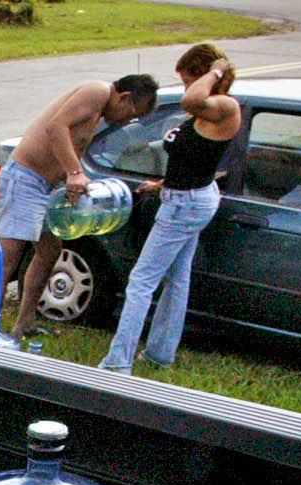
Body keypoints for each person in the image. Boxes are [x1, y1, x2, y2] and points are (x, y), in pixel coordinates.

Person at [99, 45, 241, 373]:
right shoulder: (205, 113)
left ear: (205, 75)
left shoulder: (224, 106)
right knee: (177, 278)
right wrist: (162, 184)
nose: (187, 87)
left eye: (189, 78)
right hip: (185, 196)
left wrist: (216, 71)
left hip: (185, 205)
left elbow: (190, 100)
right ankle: (161, 354)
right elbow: (197, 159)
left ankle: (116, 364)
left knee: (141, 281)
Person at [0, 72, 160, 346]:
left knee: (49, 251)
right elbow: (55, 126)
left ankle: (24, 323)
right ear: (125, 97)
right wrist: (73, 172)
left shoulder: (98, 112)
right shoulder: (96, 91)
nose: (127, 122)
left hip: (46, 186)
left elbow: (74, 143)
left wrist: (75, 180)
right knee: (7, 259)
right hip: (25, 179)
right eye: (131, 113)